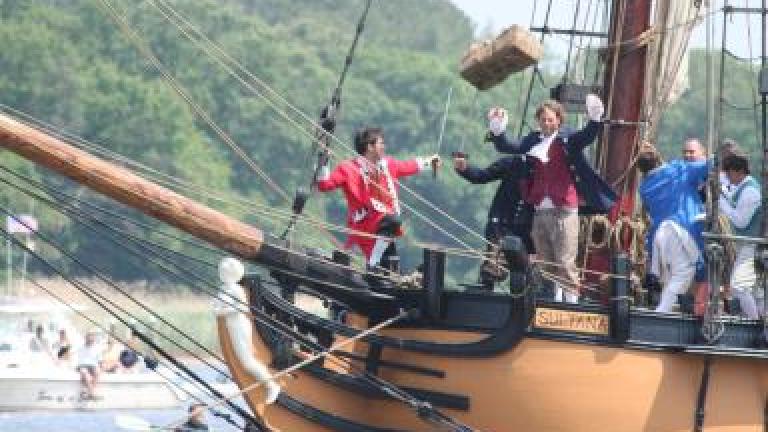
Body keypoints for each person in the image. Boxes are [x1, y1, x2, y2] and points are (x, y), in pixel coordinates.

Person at [486, 95, 616, 303]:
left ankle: (571, 303)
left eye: (550, 120)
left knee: (565, 260)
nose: (546, 124)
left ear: (558, 121)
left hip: (564, 209)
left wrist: (595, 118)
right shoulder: (533, 140)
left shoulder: (567, 139)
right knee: (546, 261)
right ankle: (554, 301)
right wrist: (498, 130)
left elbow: (587, 136)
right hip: (540, 210)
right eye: (543, 120)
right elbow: (510, 146)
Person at [316, 126, 440, 274]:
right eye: (381, 143)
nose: (384, 147)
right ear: (370, 147)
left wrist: (430, 161)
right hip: (366, 226)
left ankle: (383, 272)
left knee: (391, 268)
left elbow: (408, 166)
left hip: (385, 230)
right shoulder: (348, 168)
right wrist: (323, 163)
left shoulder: (388, 165)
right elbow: (324, 185)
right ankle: (372, 263)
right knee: (392, 222)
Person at [636, 143, 709, 313]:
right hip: (680, 231)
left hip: (660, 234)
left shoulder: (644, 188)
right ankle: (661, 312)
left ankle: (676, 310)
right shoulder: (679, 170)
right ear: (659, 158)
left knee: (670, 278)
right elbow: (709, 166)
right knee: (685, 273)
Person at [453, 153, 534, 289]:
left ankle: (526, 297)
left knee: (526, 272)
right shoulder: (512, 162)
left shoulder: (550, 168)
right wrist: (465, 169)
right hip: (501, 224)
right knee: (492, 268)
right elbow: (481, 176)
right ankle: (484, 288)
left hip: (529, 228)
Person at [719, 153, 762, 318]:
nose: (728, 178)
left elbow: (741, 221)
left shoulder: (750, 191)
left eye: (729, 173)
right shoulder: (743, 188)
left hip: (751, 246)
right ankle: (758, 321)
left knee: (739, 286)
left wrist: (721, 203)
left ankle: (753, 322)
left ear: (739, 172)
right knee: (755, 291)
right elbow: (733, 201)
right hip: (747, 246)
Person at [76, 330, 103, 400]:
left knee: (97, 372)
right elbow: (78, 360)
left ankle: (90, 392)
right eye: (89, 337)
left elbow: (100, 360)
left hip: (93, 365)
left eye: (92, 337)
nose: (90, 338)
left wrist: (102, 368)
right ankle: (92, 393)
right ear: (86, 338)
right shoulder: (80, 347)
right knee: (85, 373)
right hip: (82, 365)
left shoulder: (97, 348)